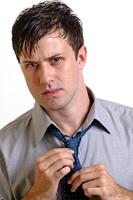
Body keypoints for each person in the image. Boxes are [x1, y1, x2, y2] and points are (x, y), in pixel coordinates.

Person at [0, 0, 133, 199]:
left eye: (56, 60)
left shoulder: (130, 127)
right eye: (32, 65)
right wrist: (36, 196)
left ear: (81, 57)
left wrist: (121, 195)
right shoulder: (3, 148)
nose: (45, 78)